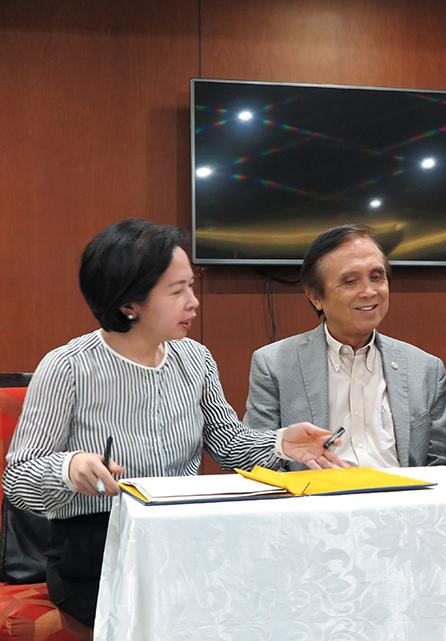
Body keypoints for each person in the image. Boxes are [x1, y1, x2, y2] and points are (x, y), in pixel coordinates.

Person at [2, 219, 346, 629]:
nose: (193, 302)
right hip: (99, 550)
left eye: (192, 286)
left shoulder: (195, 359)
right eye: (177, 290)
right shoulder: (69, 367)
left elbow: (229, 444)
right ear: (130, 302)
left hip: (187, 537)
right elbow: (19, 480)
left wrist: (280, 444)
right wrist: (69, 467)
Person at [243, 225, 446, 467]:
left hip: (402, 501)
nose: (369, 291)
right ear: (315, 297)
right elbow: (256, 461)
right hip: (316, 500)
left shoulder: (425, 369)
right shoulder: (275, 365)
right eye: (350, 281)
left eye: (377, 277)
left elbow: (444, 464)